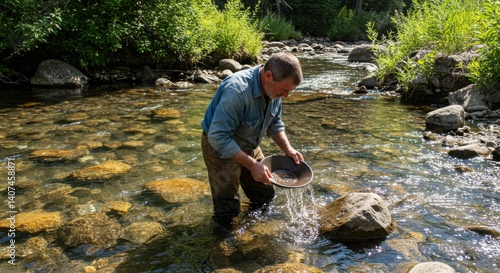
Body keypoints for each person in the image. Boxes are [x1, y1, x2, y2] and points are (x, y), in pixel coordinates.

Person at [201, 52, 304, 223]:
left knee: (265, 194)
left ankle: (253, 229)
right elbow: (218, 137)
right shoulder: (237, 91)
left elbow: (275, 122)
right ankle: (224, 244)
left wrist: (288, 149)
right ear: (268, 76)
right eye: (285, 90)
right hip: (219, 148)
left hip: (249, 144)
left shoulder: (274, 90)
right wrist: (252, 164)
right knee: (227, 209)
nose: (286, 96)